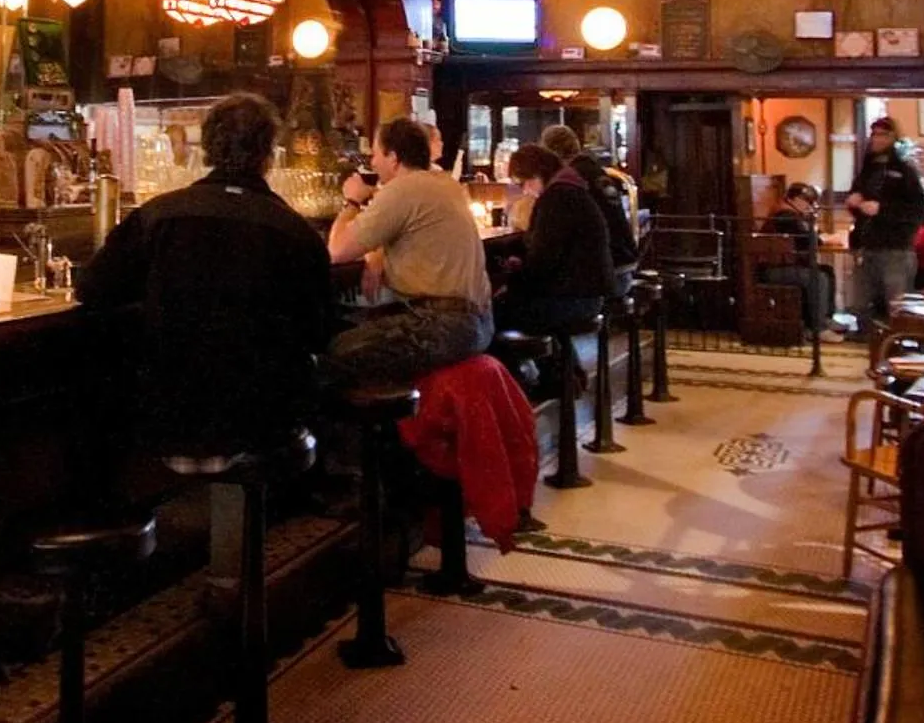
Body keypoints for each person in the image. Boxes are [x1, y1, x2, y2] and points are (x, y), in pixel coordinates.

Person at [77, 94, 335, 460]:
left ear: (208, 150)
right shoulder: (295, 232)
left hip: (167, 413)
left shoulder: (157, 216)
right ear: (269, 155)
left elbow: (91, 288)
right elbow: (318, 333)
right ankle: (282, 508)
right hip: (264, 418)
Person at [328, 117, 495, 383]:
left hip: (443, 326)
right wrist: (378, 253)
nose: (372, 163)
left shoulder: (402, 190)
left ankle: (375, 423)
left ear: (393, 157)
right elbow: (415, 230)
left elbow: (336, 251)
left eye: (375, 154)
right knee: (360, 331)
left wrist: (351, 200)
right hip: (478, 322)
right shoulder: (444, 183)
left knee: (333, 352)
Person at [494, 144, 613, 338]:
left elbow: (543, 262)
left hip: (573, 299)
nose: (524, 190)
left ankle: (532, 369)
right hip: (588, 295)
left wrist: (511, 278)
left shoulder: (557, 197)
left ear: (537, 173)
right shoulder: (571, 188)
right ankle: (563, 367)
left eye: (523, 182)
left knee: (490, 317)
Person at [846, 117, 924, 327]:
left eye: (883, 134)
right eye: (874, 134)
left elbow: (920, 213)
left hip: (896, 247)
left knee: (896, 304)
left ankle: (895, 347)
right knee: (861, 302)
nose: (877, 139)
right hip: (866, 245)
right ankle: (868, 345)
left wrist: (882, 210)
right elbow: (859, 204)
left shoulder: (905, 170)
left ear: (894, 137)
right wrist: (853, 202)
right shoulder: (867, 168)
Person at [541, 123, 637, 287]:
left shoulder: (570, 179)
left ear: (550, 153)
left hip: (603, 273)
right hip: (624, 262)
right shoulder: (596, 171)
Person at [760, 181, 833, 336]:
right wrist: (813, 225)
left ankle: (825, 318)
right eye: (807, 201)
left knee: (828, 271)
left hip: (784, 265)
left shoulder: (791, 213)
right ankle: (818, 328)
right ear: (794, 199)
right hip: (774, 269)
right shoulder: (785, 215)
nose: (810, 205)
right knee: (819, 279)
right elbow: (810, 239)